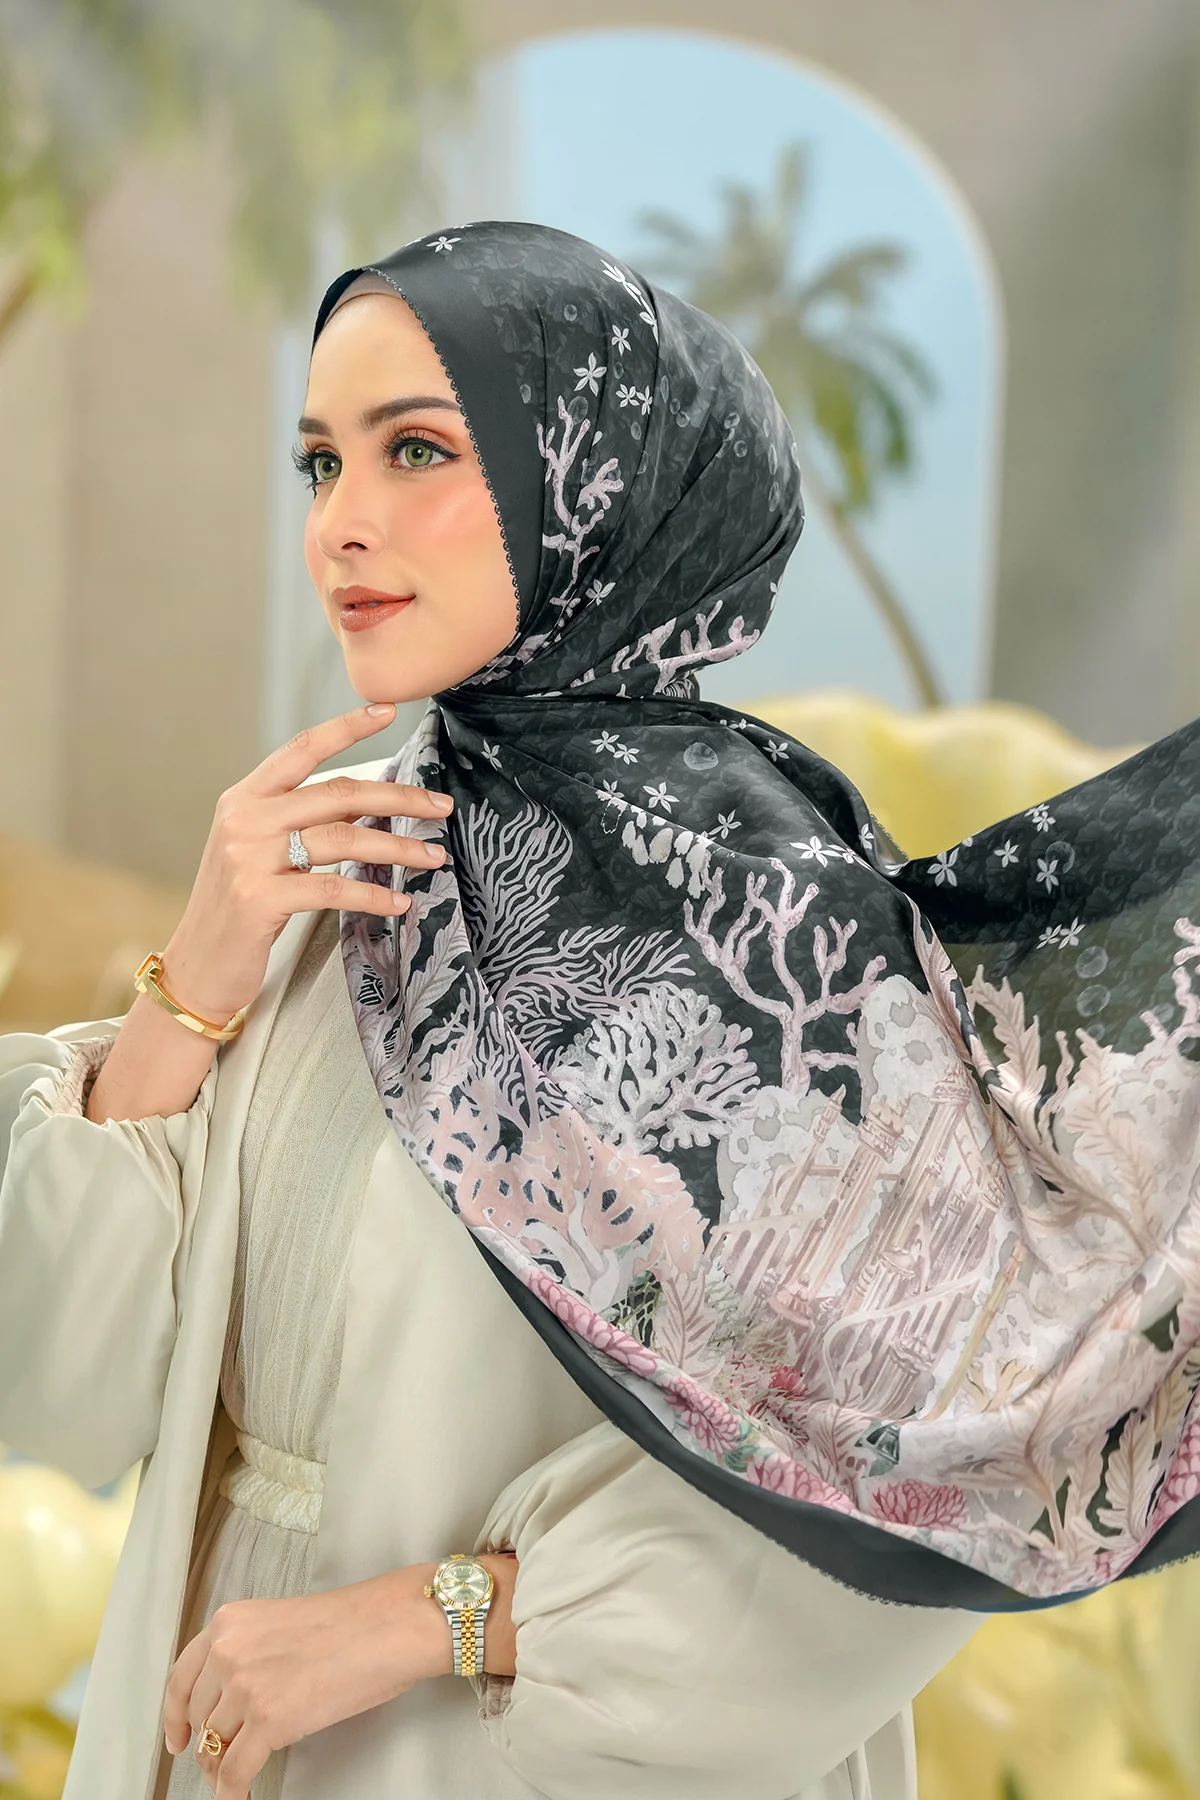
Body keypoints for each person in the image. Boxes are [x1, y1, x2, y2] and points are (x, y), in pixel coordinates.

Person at [2, 219, 1198, 1800]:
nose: (342, 524)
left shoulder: (768, 931)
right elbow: (64, 1390)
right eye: (319, 463)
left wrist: (435, 1621)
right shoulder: (334, 855)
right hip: (213, 1734)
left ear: (595, 486)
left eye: (415, 450)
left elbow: (925, 1473)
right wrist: (192, 983)